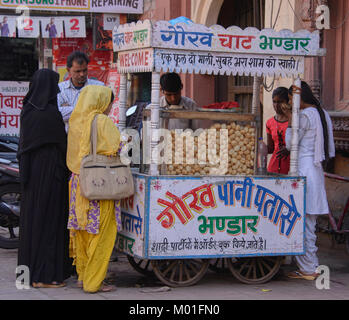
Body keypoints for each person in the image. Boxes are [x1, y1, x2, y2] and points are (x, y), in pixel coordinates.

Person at [17, 68, 71, 288]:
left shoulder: (28, 111)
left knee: (31, 224)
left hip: (31, 177)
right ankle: (44, 276)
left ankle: (26, 275)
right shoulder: (49, 114)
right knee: (49, 223)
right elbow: (62, 144)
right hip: (50, 174)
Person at [67, 85, 122, 293]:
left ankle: (83, 277)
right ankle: (94, 282)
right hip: (99, 184)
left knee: (82, 232)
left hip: (78, 182)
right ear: (101, 102)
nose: (109, 107)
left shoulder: (77, 119)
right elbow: (116, 147)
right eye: (109, 102)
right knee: (101, 233)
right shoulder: (102, 121)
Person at [281, 81, 335, 280]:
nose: (289, 104)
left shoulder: (304, 116)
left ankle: (309, 268)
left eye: (289, 100)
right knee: (309, 223)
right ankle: (309, 266)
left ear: (297, 98)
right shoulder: (322, 113)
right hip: (316, 171)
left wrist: (289, 121)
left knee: (304, 224)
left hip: (305, 171)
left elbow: (289, 144)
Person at [57, 51, 104, 131]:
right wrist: (89, 109)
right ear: (68, 70)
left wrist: (69, 109)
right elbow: (57, 114)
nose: (82, 74)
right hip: (68, 138)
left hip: (92, 138)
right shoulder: (60, 89)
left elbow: (102, 114)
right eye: (78, 71)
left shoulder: (99, 87)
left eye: (84, 70)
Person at [266, 87, 290, 174]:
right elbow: (270, 148)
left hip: (291, 167)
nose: (276, 105)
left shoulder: (294, 121)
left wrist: (289, 149)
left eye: (280, 102)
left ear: (287, 102)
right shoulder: (269, 122)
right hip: (273, 167)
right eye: (274, 101)